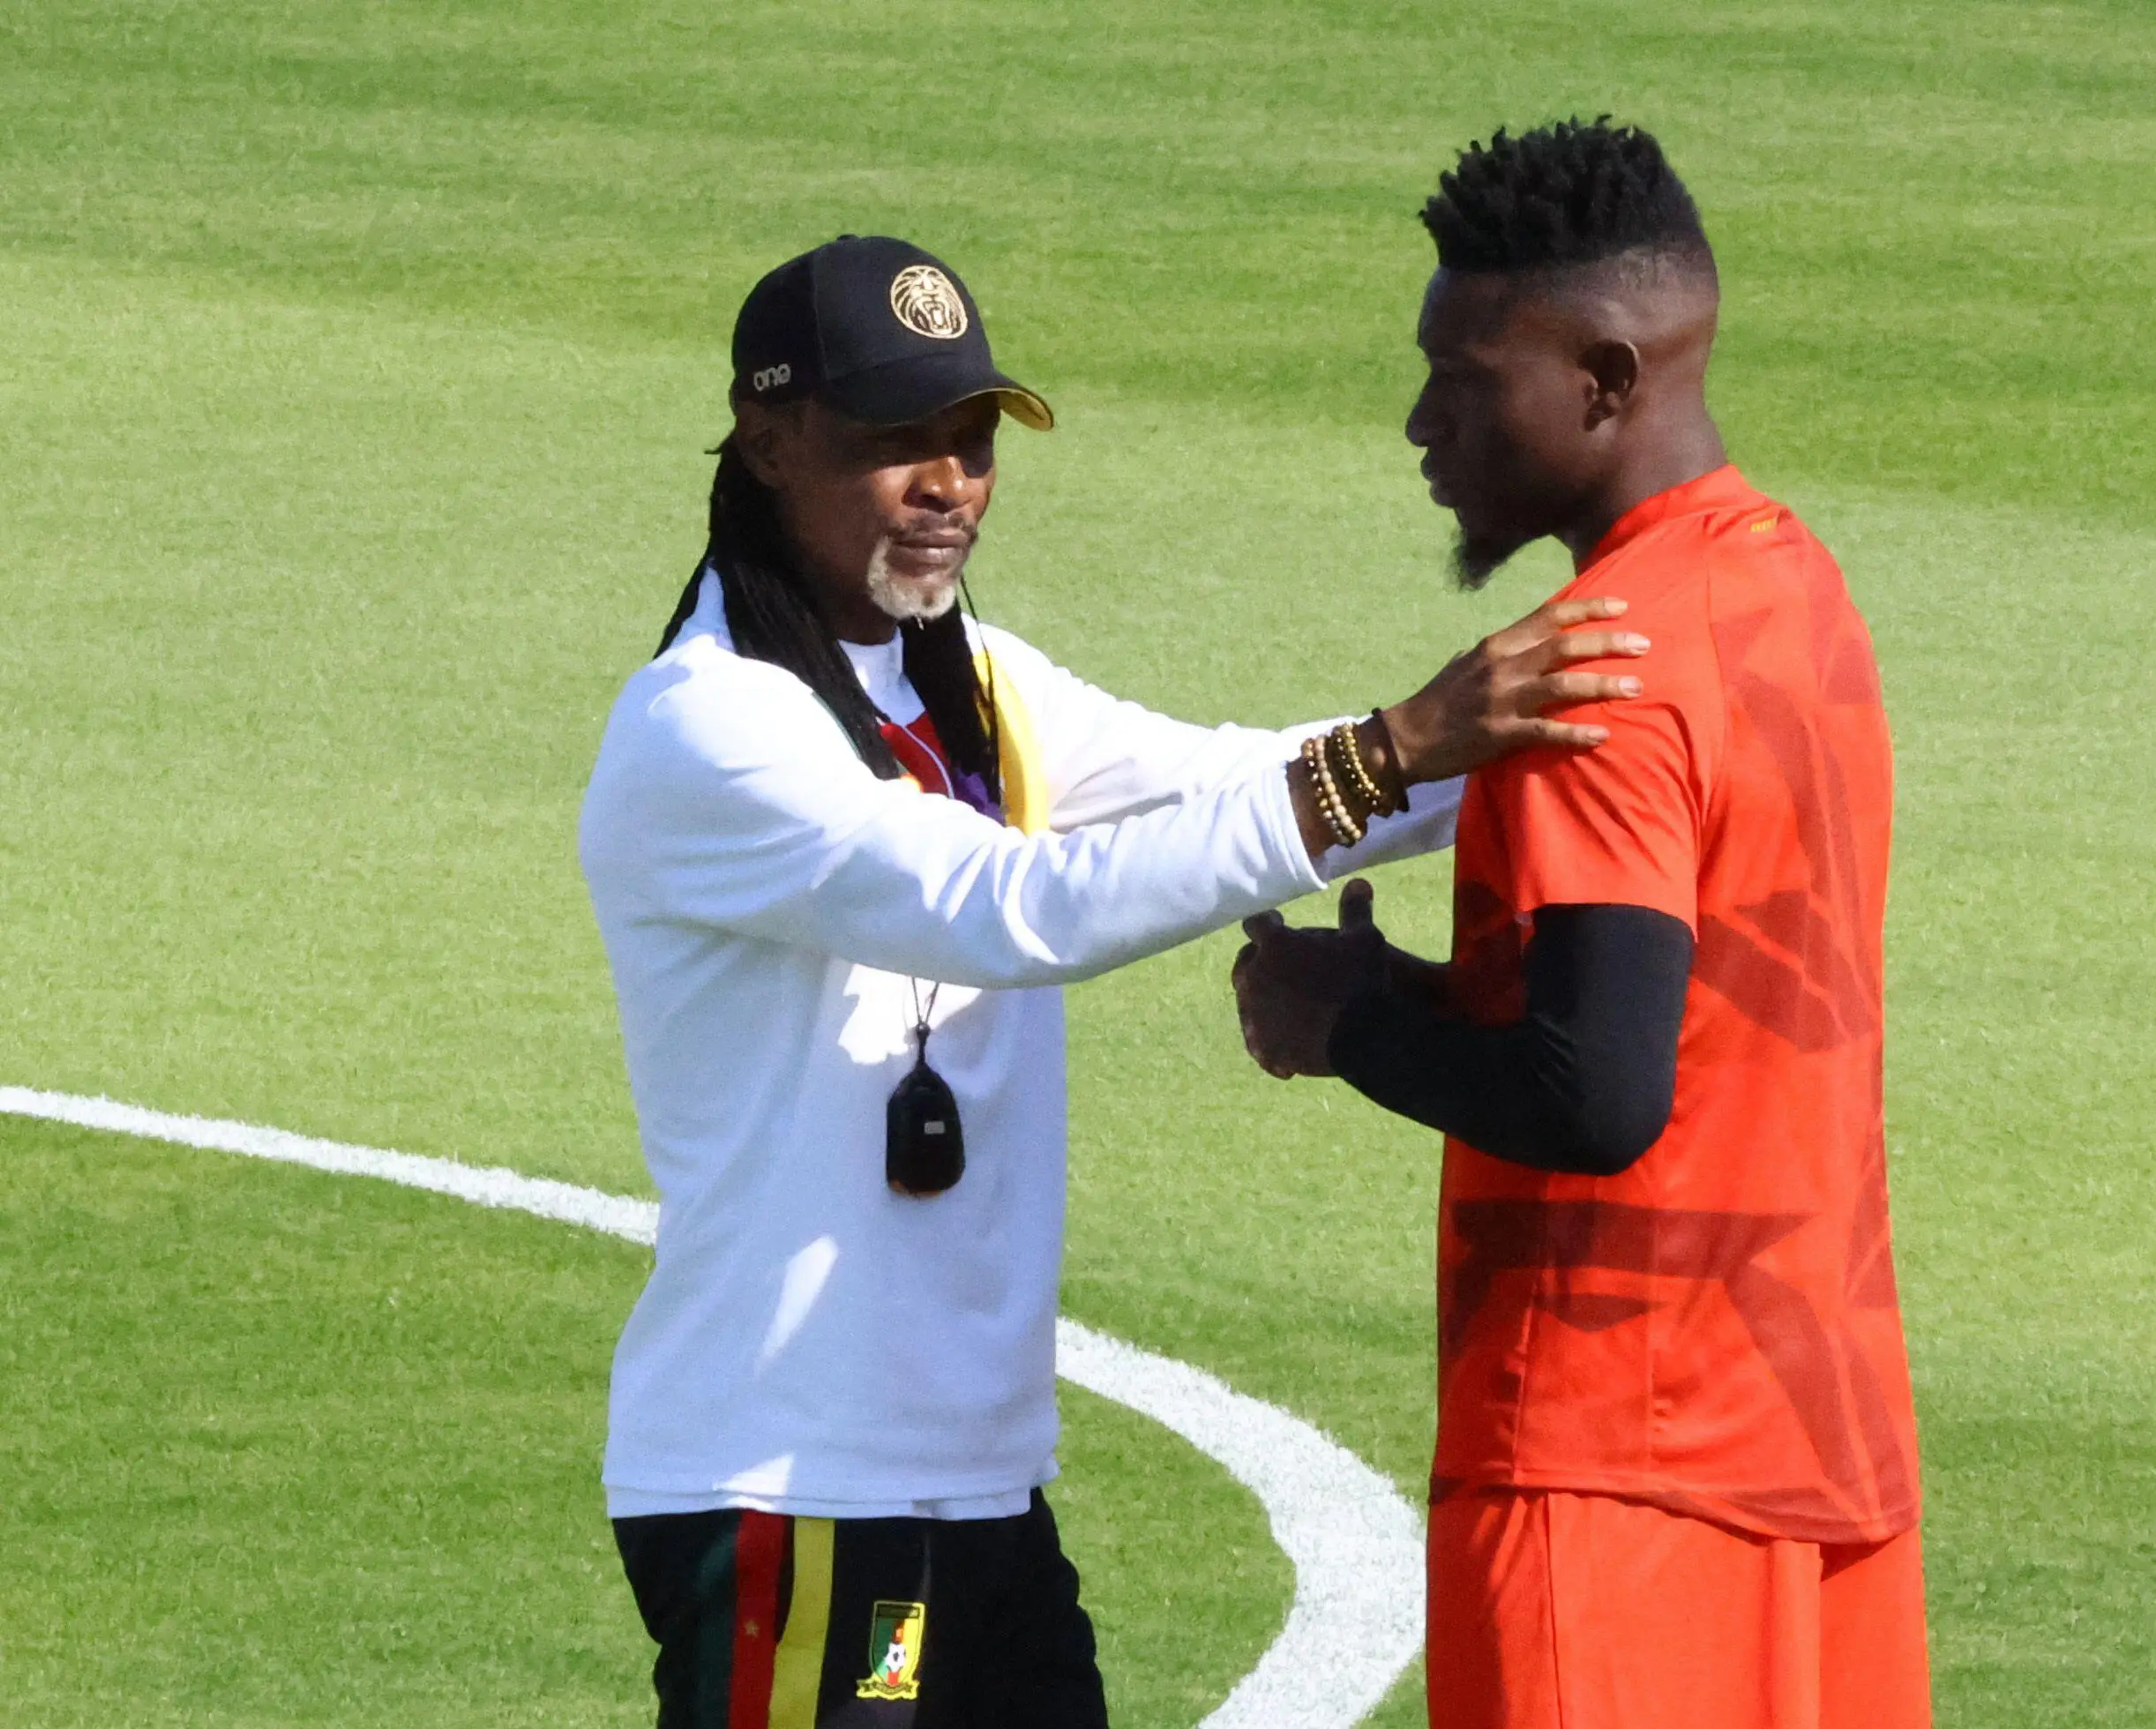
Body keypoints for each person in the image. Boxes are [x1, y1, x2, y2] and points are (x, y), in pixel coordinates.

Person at [575, 233, 1646, 1729]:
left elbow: (1247, 781)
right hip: (797, 1492)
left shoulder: (972, 677)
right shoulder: (712, 731)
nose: (949, 482)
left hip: (974, 1489)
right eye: (898, 443)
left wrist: (1588, 729)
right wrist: (1400, 747)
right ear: (768, 444)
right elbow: (1012, 910)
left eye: (971, 440)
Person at [1231, 121, 1934, 1727]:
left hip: (1613, 1475)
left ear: (1607, 379)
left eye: (1464, 381)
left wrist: (1345, 1025)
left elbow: (1597, 1093)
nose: (1421, 425)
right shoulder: (1794, 592)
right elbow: (1689, 994)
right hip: (1817, 1438)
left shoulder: (1586, 675)